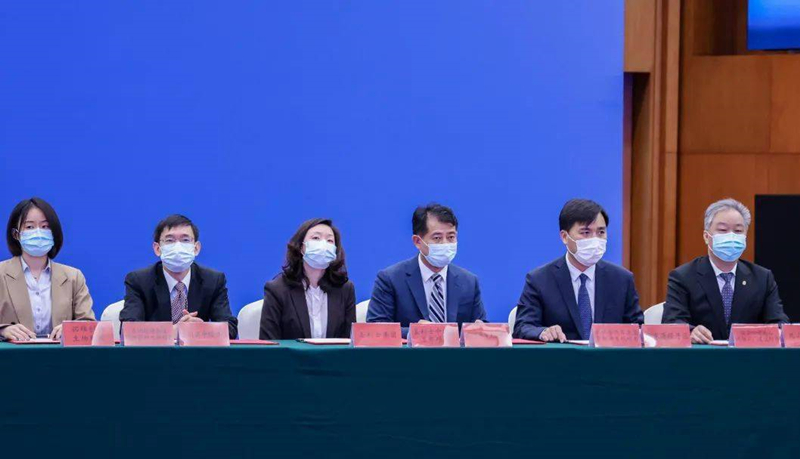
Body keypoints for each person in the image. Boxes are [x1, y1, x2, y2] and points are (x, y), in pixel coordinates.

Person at [513, 199, 643, 342]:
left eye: (601, 232)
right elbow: (522, 326)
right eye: (585, 232)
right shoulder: (540, 280)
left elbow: (638, 329)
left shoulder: (621, 279)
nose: (595, 240)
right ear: (565, 237)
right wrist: (543, 332)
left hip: (609, 355)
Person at [662, 198, 788, 342]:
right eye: (723, 230)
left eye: (738, 231)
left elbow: (779, 324)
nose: (731, 236)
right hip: (703, 353)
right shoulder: (683, 277)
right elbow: (671, 322)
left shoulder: (762, 278)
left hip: (748, 354)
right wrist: (690, 332)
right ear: (706, 237)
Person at [368, 203, 486, 337]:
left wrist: (480, 330)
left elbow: (481, 327)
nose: (445, 244)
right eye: (437, 238)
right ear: (417, 241)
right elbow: (375, 329)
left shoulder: (469, 282)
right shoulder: (391, 279)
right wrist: (415, 333)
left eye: (451, 237)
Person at [119, 214, 237, 338]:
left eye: (185, 240)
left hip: (198, 350)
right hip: (156, 350)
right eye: (170, 240)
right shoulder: (139, 281)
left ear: (196, 248)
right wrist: (173, 331)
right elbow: (128, 330)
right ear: (157, 249)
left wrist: (202, 330)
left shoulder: (213, 280)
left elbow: (230, 330)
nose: (178, 247)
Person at [0, 197, 95, 341]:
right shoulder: (1, 273)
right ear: (15, 234)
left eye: (45, 227)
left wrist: (71, 329)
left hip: (58, 354)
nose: (38, 233)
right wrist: (3, 330)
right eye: (29, 227)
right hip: (12, 354)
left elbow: (89, 324)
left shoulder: (73, 277)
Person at [259, 218, 356, 340]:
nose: (323, 245)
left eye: (330, 240)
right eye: (316, 238)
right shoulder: (277, 289)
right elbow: (269, 342)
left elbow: (350, 342)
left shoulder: (345, 289)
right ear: (301, 247)